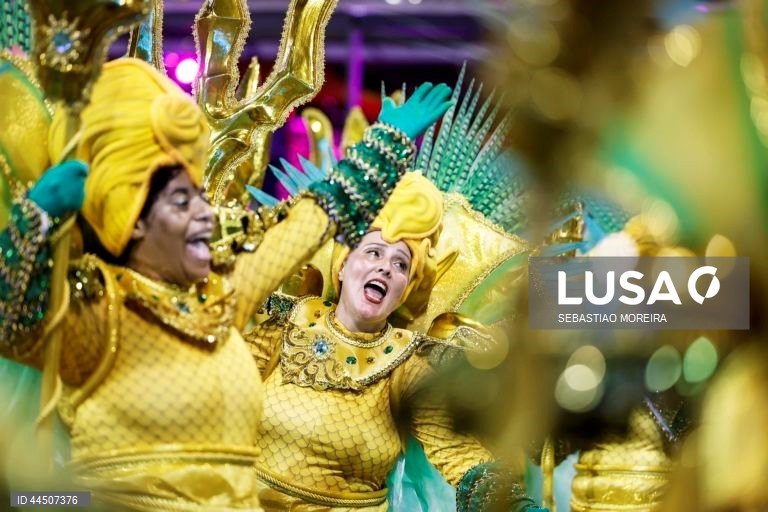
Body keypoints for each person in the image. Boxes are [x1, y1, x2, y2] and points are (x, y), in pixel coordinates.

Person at [0, 57, 452, 511]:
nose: (204, 213)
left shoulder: (219, 299)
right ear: (131, 220)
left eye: (200, 195)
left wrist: (386, 142)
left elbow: (312, 216)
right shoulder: (98, 313)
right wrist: (34, 220)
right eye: (182, 200)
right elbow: (11, 324)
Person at [245, 171, 545, 512]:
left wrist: (517, 507)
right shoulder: (286, 326)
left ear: (405, 289)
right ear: (342, 267)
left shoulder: (408, 367)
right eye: (373, 253)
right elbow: (217, 393)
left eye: (401, 264)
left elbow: (460, 455)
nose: (386, 268)